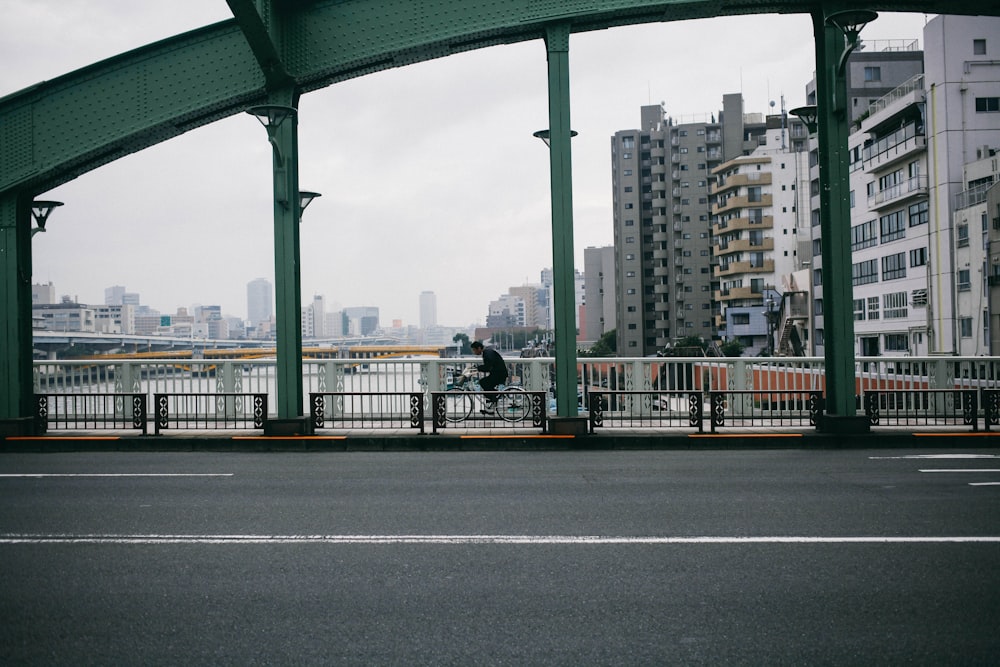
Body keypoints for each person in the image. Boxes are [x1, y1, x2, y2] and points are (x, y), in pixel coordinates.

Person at [470, 340, 508, 415]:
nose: (474, 352)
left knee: (483, 382)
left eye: (474, 350)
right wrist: (479, 368)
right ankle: (492, 400)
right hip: (498, 373)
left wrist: (478, 368)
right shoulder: (487, 352)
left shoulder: (487, 354)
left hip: (499, 374)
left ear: (479, 348)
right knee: (486, 383)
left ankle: (494, 398)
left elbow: (488, 367)